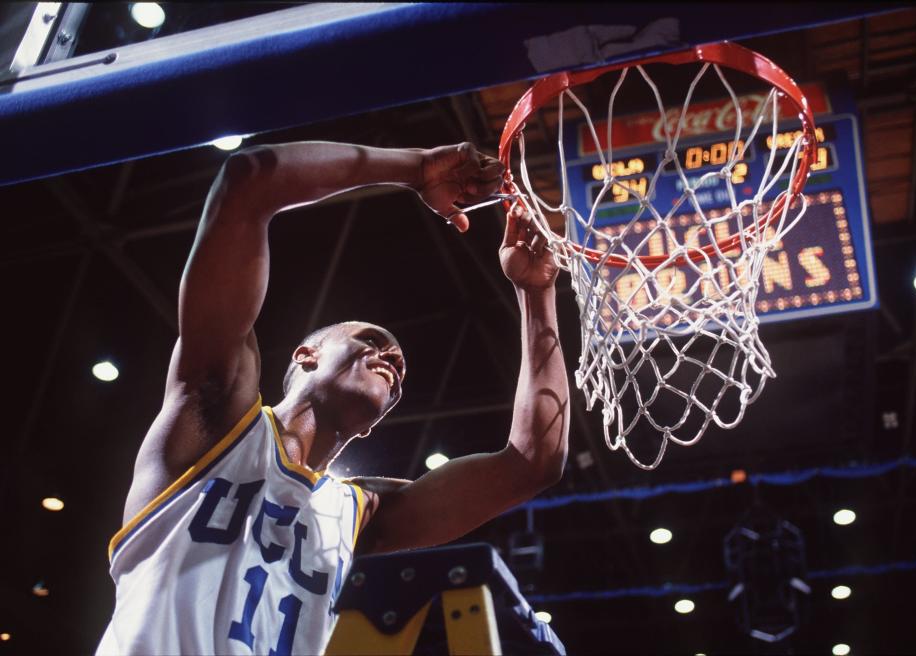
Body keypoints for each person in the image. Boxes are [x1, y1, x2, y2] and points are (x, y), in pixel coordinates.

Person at [96, 140, 570, 655]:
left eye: (400, 367)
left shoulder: (360, 512)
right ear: (305, 356)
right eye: (371, 341)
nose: (391, 358)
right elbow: (248, 180)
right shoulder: (214, 415)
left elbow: (533, 462)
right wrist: (416, 168)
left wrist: (536, 293)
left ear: (372, 425)